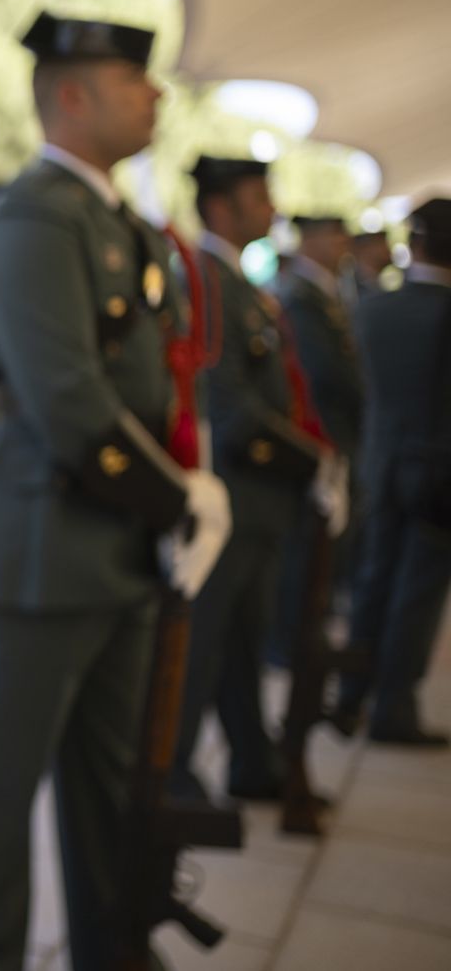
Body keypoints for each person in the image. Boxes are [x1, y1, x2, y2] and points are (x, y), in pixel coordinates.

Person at [0, 11, 228, 971]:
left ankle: (114, 947)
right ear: (72, 94)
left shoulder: (114, 221)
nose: (155, 96)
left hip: (115, 549)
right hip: (37, 547)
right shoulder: (32, 216)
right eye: (132, 80)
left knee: (111, 785)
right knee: (3, 786)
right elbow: (71, 405)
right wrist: (180, 500)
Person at [168, 159, 342, 804]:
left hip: (263, 504)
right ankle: (175, 773)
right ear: (220, 208)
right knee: (203, 645)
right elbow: (233, 409)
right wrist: (311, 461)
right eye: (258, 197)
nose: (271, 209)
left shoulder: (239, 282)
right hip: (235, 496)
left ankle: (252, 760)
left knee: (243, 644)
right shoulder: (205, 280)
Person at [336, 198, 451, 746]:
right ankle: (393, 708)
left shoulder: (375, 308)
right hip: (438, 475)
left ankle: (351, 695)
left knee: (374, 581)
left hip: (380, 464)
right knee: (417, 593)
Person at [269, 214, 364, 664]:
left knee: (326, 548)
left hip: (338, 434)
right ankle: (290, 645)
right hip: (320, 432)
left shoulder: (325, 292)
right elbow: (323, 373)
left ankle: (305, 638)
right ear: (312, 240)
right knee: (308, 551)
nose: (343, 244)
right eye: (334, 235)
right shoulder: (300, 295)